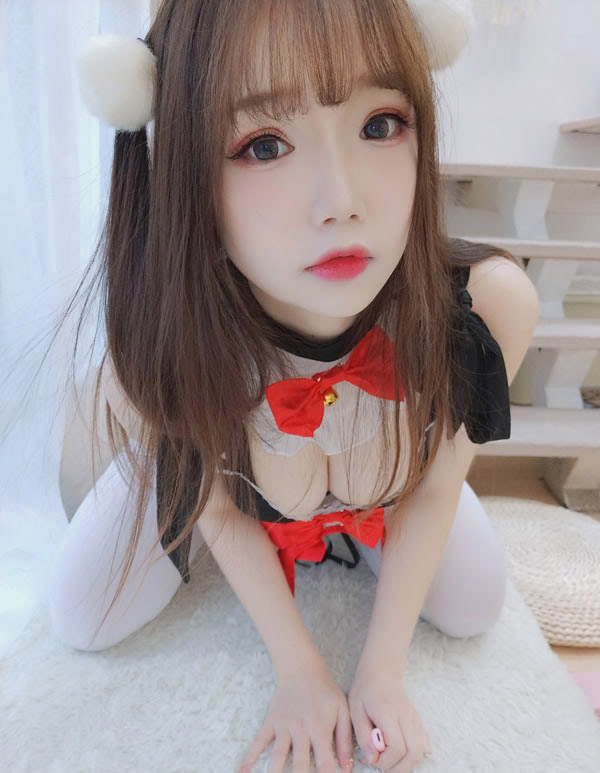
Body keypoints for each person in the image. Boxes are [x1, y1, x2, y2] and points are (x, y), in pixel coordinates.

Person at [47, 1, 540, 772]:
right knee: (81, 614)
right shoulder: (173, 335)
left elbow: (441, 482)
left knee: (473, 603)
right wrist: (301, 672)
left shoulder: (483, 308)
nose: (341, 200)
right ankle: (169, 458)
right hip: (220, 474)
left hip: (381, 484)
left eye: (380, 124)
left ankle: (345, 510)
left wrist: (380, 672)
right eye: (264, 144)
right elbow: (219, 507)